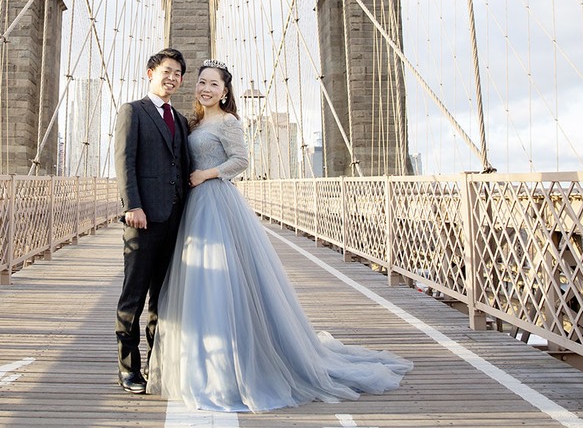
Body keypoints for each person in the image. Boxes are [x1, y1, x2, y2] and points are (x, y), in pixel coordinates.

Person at [147, 59, 412, 411]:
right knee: (199, 282)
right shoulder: (193, 122)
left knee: (225, 282)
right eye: (202, 83)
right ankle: (205, 364)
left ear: (226, 92)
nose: (206, 89)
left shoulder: (228, 122)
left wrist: (207, 174)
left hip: (217, 203)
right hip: (195, 207)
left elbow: (241, 161)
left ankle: (233, 367)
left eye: (214, 84)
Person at [114, 48, 193, 394]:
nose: (172, 77)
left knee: (163, 299)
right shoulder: (133, 111)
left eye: (178, 73)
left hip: (175, 220)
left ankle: (156, 363)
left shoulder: (181, 118)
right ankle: (128, 369)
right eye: (167, 71)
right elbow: (124, 161)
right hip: (143, 219)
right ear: (150, 72)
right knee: (133, 296)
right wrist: (132, 205)